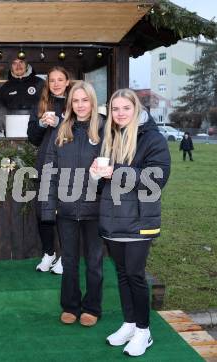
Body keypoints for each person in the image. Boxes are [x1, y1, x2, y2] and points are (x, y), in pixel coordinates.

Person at [90, 88, 170, 356]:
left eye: (126, 108)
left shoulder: (153, 139)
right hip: (113, 220)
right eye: (115, 109)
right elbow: (106, 184)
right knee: (123, 275)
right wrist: (96, 175)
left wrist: (117, 171)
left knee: (135, 276)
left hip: (138, 219)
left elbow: (156, 179)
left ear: (136, 109)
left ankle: (144, 331)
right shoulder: (110, 137)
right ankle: (130, 323)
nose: (120, 113)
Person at [42, 81, 104, 327]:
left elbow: (115, 166)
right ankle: (70, 305)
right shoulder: (61, 129)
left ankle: (92, 307)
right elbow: (49, 169)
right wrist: (49, 206)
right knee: (69, 260)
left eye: (85, 100)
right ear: (70, 104)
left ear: (92, 101)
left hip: (96, 208)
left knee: (94, 262)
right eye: (75, 101)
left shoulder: (104, 128)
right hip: (66, 209)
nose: (80, 105)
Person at [27, 66, 72, 275]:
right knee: (42, 212)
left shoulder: (76, 102)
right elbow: (33, 138)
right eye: (52, 80)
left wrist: (60, 122)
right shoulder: (41, 103)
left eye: (60, 79)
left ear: (67, 81)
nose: (55, 83)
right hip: (45, 164)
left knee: (64, 212)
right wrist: (42, 124)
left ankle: (65, 256)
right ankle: (49, 252)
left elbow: (82, 130)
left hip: (68, 165)